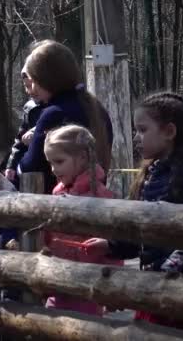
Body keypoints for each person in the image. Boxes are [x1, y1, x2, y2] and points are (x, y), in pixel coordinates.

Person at [92, 92, 183, 334]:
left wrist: (166, 273)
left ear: (169, 132)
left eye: (143, 130)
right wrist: (112, 246)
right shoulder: (150, 175)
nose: (137, 137)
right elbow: (142, 232)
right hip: (157, 292)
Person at [41, 124, 122, 315]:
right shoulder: (57, 191)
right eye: (50, 163)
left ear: (82, 158)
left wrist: (113, 288)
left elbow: (112, 247)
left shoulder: (100, 196)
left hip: (89, 286)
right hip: (59, 279)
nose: (53, 169)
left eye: (59, 161)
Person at [16, 40, 113, 193]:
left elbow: (29, 167)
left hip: (59, 203)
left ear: (46, 79)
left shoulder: (54, 113)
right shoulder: (95, 107)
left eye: (34, 80)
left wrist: (26, 148)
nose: (31, 88)